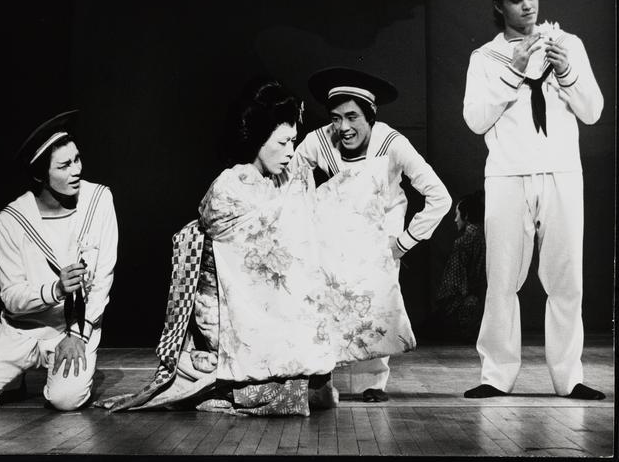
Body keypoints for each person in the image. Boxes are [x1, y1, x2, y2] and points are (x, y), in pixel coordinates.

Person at [98, 78, 419, 415]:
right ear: (257, 138)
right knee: (288, 387)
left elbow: (307, 229)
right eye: (282, 142)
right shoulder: (230, 186)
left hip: (274, 308)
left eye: (293, 141)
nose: (291, 151)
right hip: (230, 311)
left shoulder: (288, 177)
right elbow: (255, 259)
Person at [462, 0, 604, 399]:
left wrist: (567, 72)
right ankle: (496, 375)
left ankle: (569, 377)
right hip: (508, 175)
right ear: (499, 7)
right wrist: (512, 71)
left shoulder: (567, 44)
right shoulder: (485, 58)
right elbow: (475, 120)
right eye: (516, 0)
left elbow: (593, 112)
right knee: (503, 279)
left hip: (561, 172)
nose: (528, 6)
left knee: (567, 280)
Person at [293, 67, 452, 402]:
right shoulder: (318, 141)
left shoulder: (393, 143)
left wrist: (403, 243)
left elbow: (440, 196)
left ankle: (372, 384)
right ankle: (321, 381)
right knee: (326, 307)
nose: (344, 127)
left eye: (352, 117)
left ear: (371, 114)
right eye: (336, 118)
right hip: (335, 237)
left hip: (380, 239)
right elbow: (290, 179)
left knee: (375, 309)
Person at [0, 111, 118, 411]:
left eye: (77, 159)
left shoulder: (99, 200)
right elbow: (11, 298)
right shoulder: (11, 220)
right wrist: (55, 290)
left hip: (72, 327)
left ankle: (66, 369)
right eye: (64, 165)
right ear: (40, 175)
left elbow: (103, 277)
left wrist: (78, 335)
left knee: (65, 400)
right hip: (20, 330)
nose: (77, 170)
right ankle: (13, 378)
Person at [426, 191, 486, 343]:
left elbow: (452, 286)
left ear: (466, 216)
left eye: (457, 214)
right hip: (489, 307)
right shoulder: (489, 237)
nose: (455, 219)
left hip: (467, 309)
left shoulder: (463, 242)